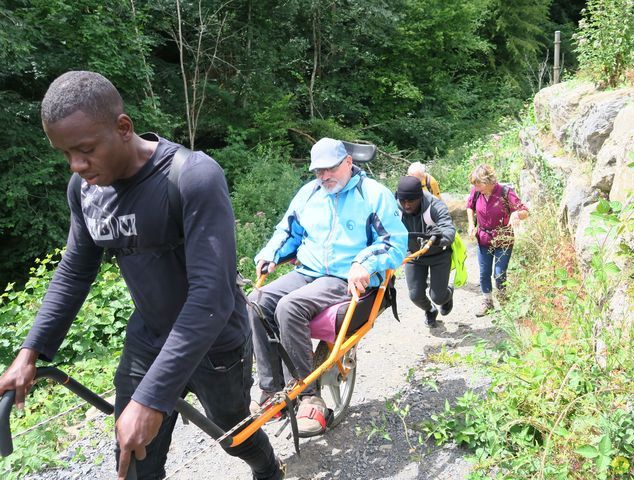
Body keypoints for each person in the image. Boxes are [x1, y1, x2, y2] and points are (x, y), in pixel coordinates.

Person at [0, 71, 283, 480]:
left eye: (86, 149)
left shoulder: (192, 176)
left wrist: (152, 398)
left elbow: (212, 295)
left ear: (123, 127)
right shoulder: (84, 189)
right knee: (131, 455)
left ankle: (269, 469)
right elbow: (76, 269)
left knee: (232, 433)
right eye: (66, 154)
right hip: (149, 337)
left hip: (215, 341)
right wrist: (30, 351)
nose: (77, 165)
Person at [249, 137, 408, 437]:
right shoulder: (309, 194)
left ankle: (309, 396)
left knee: (289, 307)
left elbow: (395, 243)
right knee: (256, 300)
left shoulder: (373, 195)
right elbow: (287, 231)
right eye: (317, 171)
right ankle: (272, 391)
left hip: (344, 276)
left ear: (348, 162)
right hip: (307, 270)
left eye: (329, 169)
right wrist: (270, 254)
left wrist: (365, 262)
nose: (323, 177)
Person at [466, 164, 529, 317]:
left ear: (489, 181)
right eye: (474, 184)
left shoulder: (505, 192)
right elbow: (469, 206)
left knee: (499, 273)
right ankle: (487, 302)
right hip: (483, 238)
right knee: (484, 273)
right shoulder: (476, 191)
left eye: (478, 184)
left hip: (503, 238)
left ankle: (504, 302)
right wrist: (471, 224)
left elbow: (525, 211)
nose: (476, 187)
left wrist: (516, 215)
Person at [395, 176, 456, 327]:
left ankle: (447, 294)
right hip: (414, 256)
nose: (406, 205)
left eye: (411, 201)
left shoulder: (434, 206)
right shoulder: (394, 209)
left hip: (439, 255)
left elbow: (449, 229)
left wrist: (437, 238)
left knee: (438, 297)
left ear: (420, 197)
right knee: (415, 296)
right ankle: (430, 310)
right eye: (403, 201)